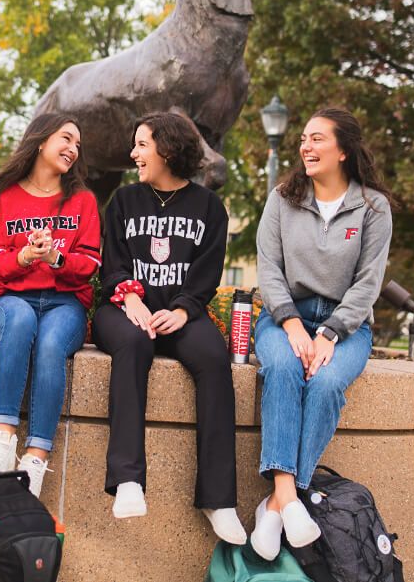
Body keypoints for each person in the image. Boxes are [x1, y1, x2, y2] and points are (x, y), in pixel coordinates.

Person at [92, 111, 246, 545]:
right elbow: (114, 263)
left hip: (180, 314)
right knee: (134, 344)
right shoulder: (123, 201)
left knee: (215, 360)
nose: (133, 154)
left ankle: (219, 499)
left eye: (142, 145)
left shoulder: (210, 208)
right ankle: (127, 481)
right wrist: (131, 297)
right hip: (125, 310)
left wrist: (183, 309)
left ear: (168, 148)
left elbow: (207, 271)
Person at [249, 107, 394, 561]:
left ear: (343, 150)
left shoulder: (372, 207)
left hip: (346, 325)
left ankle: (275, 503)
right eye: (303, 140)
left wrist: (330, 334)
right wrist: (292, 323)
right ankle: (289, 496)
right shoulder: (283, 197)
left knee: (328, 382)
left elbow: (369, 283)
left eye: (317, 139)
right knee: (283, 368)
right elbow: (268, 269)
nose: (305, 147)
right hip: (283, 315)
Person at [0, 113, 101, 497]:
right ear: (41, 141)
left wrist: (55, 261)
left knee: (49, 344)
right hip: (12, 300)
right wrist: (26, 256)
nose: (73, 149)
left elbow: (91, 264)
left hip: (65, 303)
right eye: (66, 138)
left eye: (77, 144)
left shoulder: (82, 201)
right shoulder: (7, 195)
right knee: (22, 321)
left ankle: (36, 456)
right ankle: (2, 437)